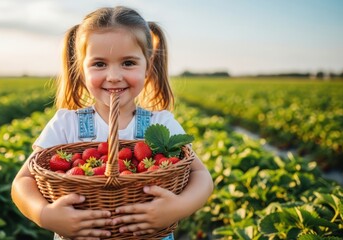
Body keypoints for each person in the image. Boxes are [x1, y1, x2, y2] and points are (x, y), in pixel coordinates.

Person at [11, 6, 213, 240]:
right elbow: (23, 181)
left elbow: (202, 176)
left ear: (148, 67)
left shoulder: (161, 123)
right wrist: (45, 214)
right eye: (99, 64)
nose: (114, 75)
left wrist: (177, 208)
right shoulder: (67, 123)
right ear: (81, 69)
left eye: (128, 63)